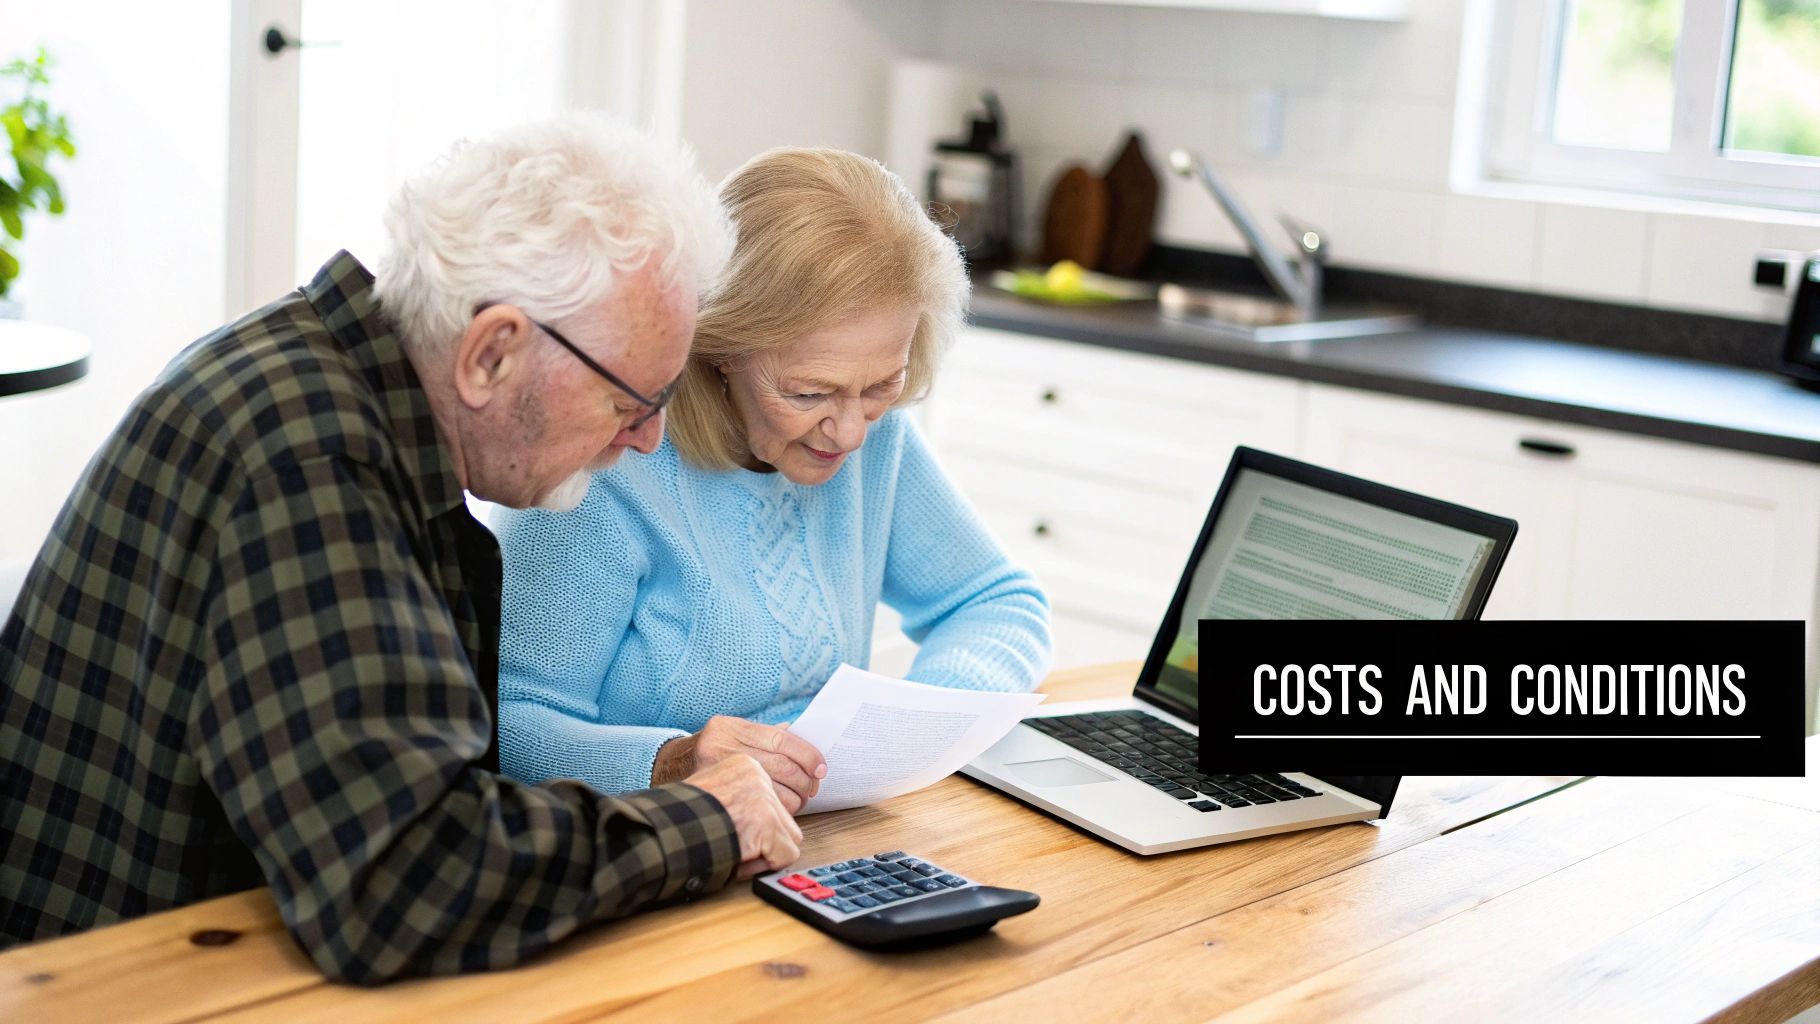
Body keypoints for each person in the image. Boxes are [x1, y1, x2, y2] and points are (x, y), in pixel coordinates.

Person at [0, 115, 802, 982]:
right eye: (630, 401)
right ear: (491, 353)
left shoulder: (318, 378)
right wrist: (698, 820)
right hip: (119, 988)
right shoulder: (307, 462)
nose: (647, 440)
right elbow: (405, 880)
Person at [495, 148, 1053, 813]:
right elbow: (509, 724)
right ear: (722, 346)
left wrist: (912, 730)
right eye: (809, 392)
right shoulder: (607, 466)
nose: (847, 433)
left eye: (882, 384)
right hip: (649, 846)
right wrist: (673, 761)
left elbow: (997, 603)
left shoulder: (879, 440)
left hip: (825, 830)